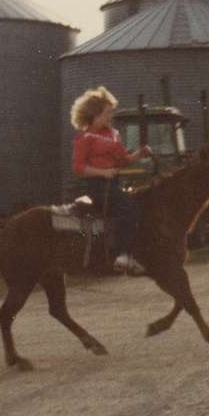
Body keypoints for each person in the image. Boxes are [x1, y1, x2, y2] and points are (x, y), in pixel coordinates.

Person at [70, 86, 152, 275]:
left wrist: (139, 154)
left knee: (136, 206)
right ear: (94, 115)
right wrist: (103, 172)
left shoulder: (113, 134)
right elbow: (78, 167)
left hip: (113, 184)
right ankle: (123, 255)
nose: (110, 117)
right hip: (97, 186)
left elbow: (123, 160)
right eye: (107, 113)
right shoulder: (85, 137)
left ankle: (130, 256)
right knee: (129, 208)